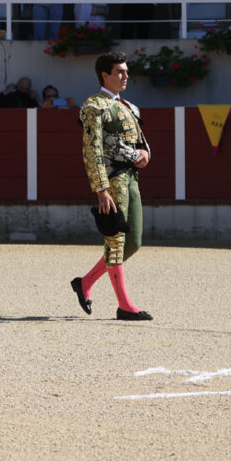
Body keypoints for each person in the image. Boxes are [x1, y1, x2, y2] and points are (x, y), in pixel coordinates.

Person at [69, 51, 153, 322]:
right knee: (116, 240)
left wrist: (145, 155)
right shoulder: (94, 105)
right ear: (105, 75)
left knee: (134, 241)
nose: (126, 76)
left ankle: (85, 283)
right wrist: (101, 190)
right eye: (120, 71)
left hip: (130, 177)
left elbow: (139, 141)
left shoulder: (127, 105)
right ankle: (125, 306)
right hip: (113, 178)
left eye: (127, 71)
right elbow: (91, 150)